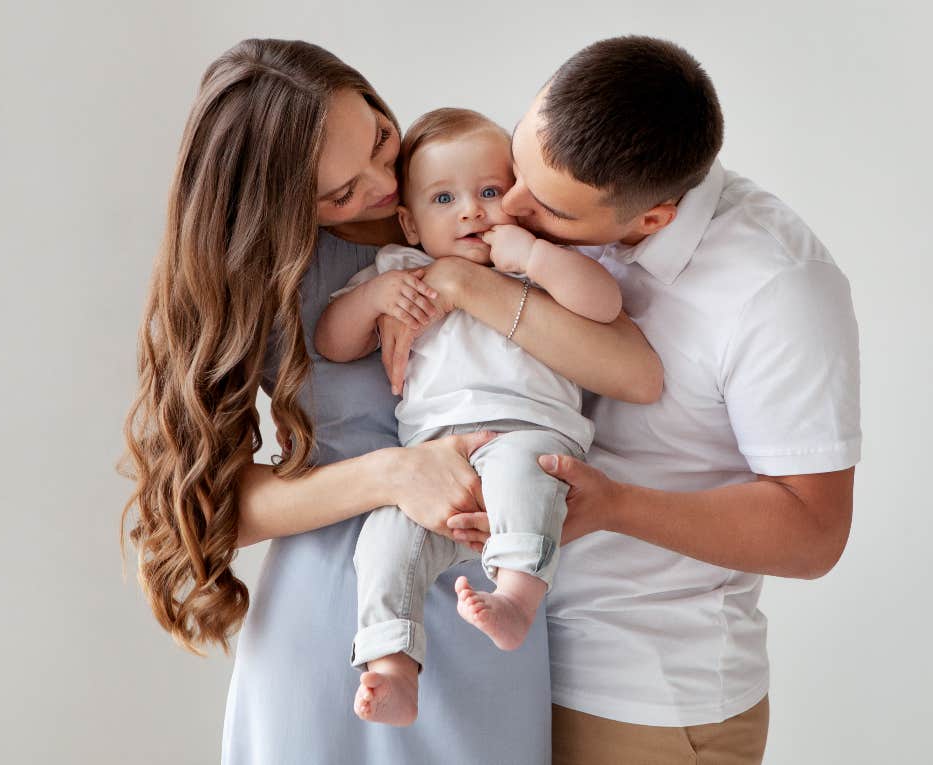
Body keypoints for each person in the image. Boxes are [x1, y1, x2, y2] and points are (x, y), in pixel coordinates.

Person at [119, 39, 663, 764]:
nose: (380, 184)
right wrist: (394, 474)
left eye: (379, 137)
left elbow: (637, 373)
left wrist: (461, 283)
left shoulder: (485, 195)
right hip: (337, 619)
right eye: (339, 192)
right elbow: (214, 505)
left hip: (490, 593)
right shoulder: (264, 275)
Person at [423, 36, 861, 764]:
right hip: (491, 668)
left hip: (640, 695)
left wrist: (616, 505)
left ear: (651, 218)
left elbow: (815, 531)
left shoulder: (779, 288)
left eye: (553, 211)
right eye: (519, 166)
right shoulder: (537, 204)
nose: (514, 207)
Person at [314, 108, 628, 726]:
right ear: (408, 221)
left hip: (529, 432)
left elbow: (606, 302)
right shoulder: (398, 272)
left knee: (522, 471)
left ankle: (514, 597)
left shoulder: (536, 265)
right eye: (443, 197)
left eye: (489, 192)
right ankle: (392, 664)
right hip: (432, 464)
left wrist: (534, 255)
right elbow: (332, 342)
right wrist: (373, 299)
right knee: (383, 540)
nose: (471, 211)